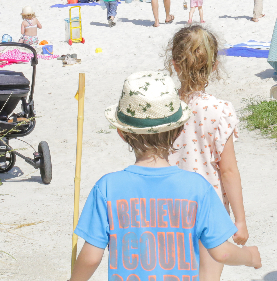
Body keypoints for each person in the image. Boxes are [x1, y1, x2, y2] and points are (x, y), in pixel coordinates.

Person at [69, 70, 262, 281]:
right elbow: (222, 252)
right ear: (179, 130)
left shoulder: (107, 187)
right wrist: (249, 256)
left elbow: (90, 258)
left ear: (122, 133)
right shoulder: (198, 188)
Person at [167, 26, 250, 281]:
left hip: (167, 205)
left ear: (175, 65)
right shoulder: (219, 110)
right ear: (214, 66)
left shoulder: (163, 107)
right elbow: (227, 170)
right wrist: (240, 219)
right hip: (208, 209)